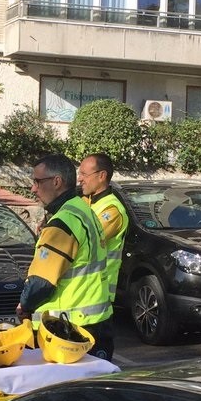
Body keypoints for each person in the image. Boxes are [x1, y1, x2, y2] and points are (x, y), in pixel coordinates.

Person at [16, 154, 112, 359]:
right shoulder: (82, 210)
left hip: (66, 331)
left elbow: (42, 282)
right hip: (94, 323)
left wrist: (24, 305)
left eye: (37, 182)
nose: (33, 189)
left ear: (57, 182)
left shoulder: (63, 222)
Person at [77, 153, 130, 361]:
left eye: (84, 174)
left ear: (101, 176)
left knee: (94, 365)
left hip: (98, 299)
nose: (80, 178)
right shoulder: (86, 202)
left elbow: (85, 241)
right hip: (81, 296)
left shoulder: (111, 209)